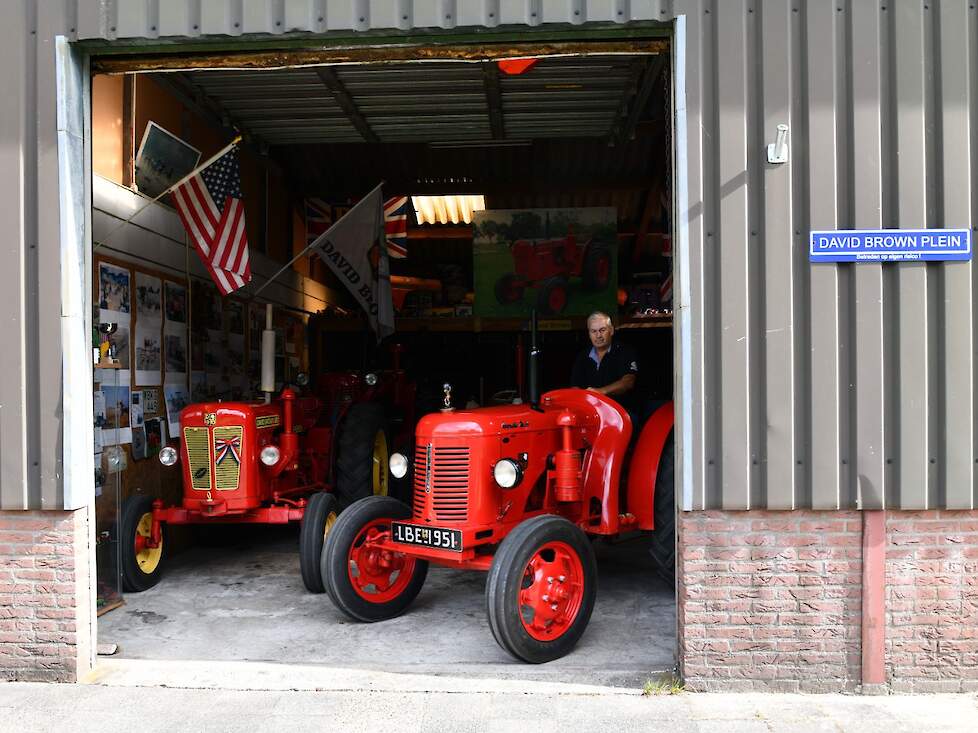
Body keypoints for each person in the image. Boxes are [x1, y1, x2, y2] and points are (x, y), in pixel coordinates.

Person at [570, 311, 639, 409]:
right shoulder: (582, 356)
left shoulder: (625, 351)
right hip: (592, 411)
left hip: (622, 411)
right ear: (589, 334)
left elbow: (628, 382)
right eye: (593, 331)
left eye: (602, 330)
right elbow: (575, 386)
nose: (598, 335)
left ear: (611, 330)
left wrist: (601, 391)